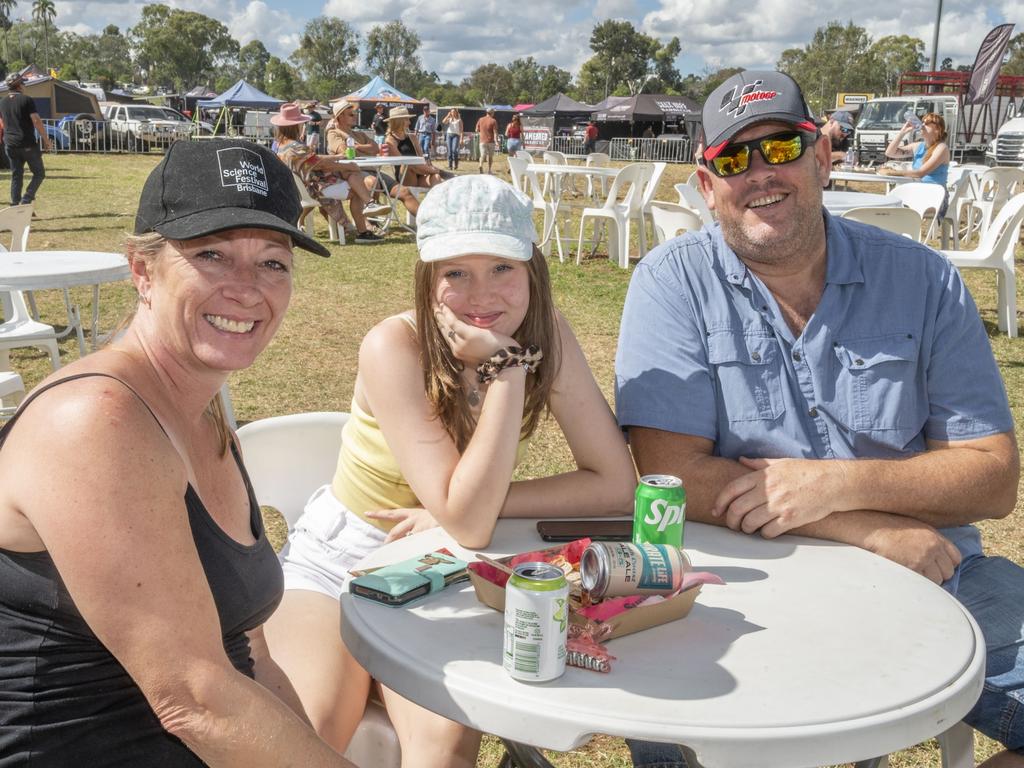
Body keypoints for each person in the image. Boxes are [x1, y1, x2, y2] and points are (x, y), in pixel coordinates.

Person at [615, 70, 1024, 768]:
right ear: (707, 187)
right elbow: (671, 475)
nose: (759, 174)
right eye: (733, 160)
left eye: (779, 148)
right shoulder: (672, 281)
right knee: (676, 734)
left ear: (822, 155)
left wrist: (833, 483)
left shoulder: (924, 281)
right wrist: (861, 524)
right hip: (746, 583)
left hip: (936, 573)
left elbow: (993, 479)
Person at [0, 138, 362, 768]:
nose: (248, 289)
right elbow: (195, 701)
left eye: (273, 262)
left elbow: (251, 655)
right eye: (212, 255)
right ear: (143, 270)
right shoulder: (94, 420)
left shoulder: (207, 411)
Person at [264, 174, 636, 764]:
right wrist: (508, 375)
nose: (480, 294)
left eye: (502, 269)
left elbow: (616, 487)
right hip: (342, 560)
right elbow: (466, 518)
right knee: (310, 731)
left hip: (443, 563)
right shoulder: (395, 345)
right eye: (455, 272)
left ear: (533, 270)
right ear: (426, 278)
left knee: (442, 751)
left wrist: (457, 509)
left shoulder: (551, 336)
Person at [271, 101, 383, 244]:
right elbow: (319, 164)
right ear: (296, 126)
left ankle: (366, 215)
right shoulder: (296, 146)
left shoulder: (281, 146)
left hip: (298, 190)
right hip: (315, 188)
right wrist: (345, 164)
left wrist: (337, 158)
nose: (303, 125)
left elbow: (313, 159)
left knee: (353, 178)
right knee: (357, 190)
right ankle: (363, 230)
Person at [327, 99, 423, 217]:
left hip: (372, 171)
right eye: (351, 114)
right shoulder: (333, 133)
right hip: (353, 173)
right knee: (372, 183)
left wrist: (356, 146)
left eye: (355, 114)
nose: (355, 116)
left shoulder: (359, 134)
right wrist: (364, 147)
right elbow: (343, 150)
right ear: (340, 117)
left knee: (404, 192)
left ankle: (427, 223)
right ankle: (371, 223)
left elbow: (375, 148)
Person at [0, 72, 49, 207]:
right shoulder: (26, 100)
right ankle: (26, 199)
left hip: (9, 144)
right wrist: (46, 139)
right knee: (39, 173)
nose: (24, 85)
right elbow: (36, 121)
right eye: (23, 83)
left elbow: (2, 123)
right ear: (19, 86)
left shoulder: (2, 102)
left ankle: (15, 205)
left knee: (16, 176)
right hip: (26, 143)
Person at [384, 105, 449, 189]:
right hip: (405, 176)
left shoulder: (412, 137)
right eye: (407, 119)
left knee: (436, 177)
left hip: (420, 172)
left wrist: (426, 167)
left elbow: (421, 158)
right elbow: (401, 162)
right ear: (399, 121)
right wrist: (430, 169)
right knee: (407, 163)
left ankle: (437, 201)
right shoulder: (390, 140)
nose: (410, 123)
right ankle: (440, 172)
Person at [884, 111, 950, 191]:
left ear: (937, 130)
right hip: (917, 191)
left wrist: (891, 173)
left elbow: (920, 173)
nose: (922, 125)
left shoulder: (941, 148)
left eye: (926, 123)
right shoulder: (917, 146)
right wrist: (902, 132)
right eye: (922, 122)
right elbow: (890, 153)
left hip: (934, 195)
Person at [475, 107, 498, 174]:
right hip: (491, 141)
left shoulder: (480, 119)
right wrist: (496, 141)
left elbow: (476, 130)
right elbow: (495, 132)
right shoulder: (493, 121)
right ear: (492, 113)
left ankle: (480, 165)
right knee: (490, 157)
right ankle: (489, 170)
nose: (494, 113)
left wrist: (481, 133)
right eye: (493, 112)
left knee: (482, 155)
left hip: (482, 141)